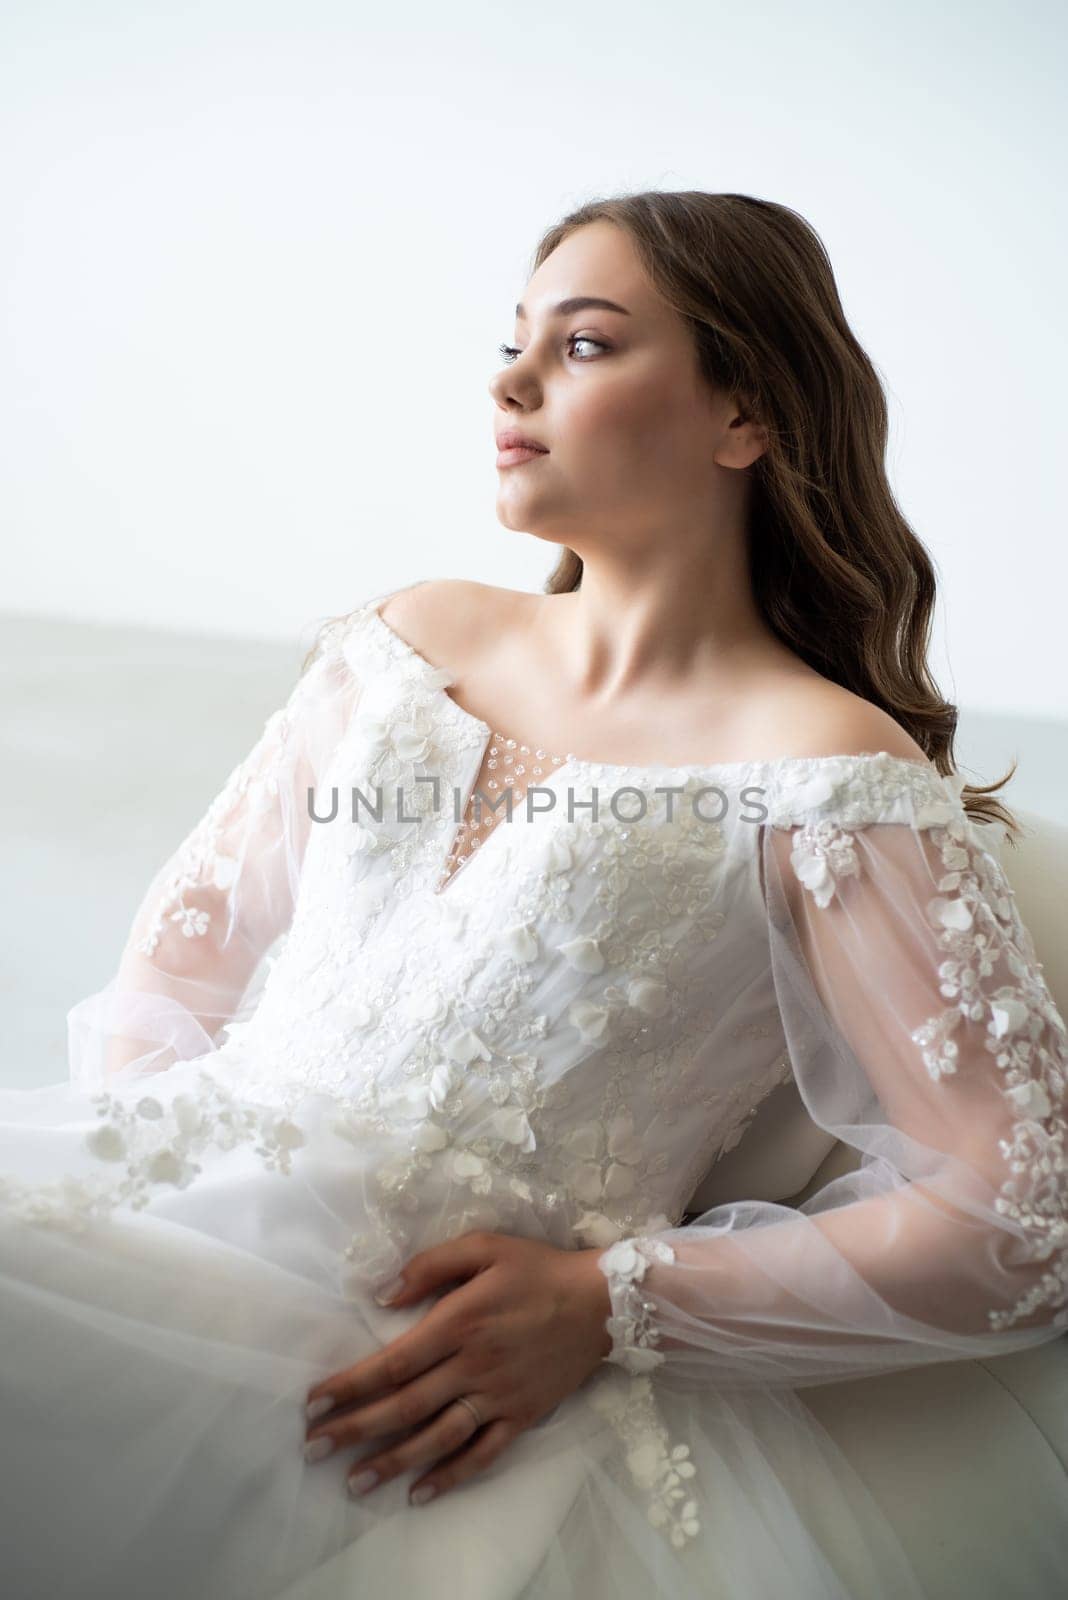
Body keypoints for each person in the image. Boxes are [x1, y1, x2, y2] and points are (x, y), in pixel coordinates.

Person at [1, 190, 1066, 1600]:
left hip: (396, 1379)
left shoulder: (826, 771)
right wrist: (143, 1173)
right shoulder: (406, 645)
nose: (509, 380)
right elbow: (181, 960)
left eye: (583, 345)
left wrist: (606, 1304)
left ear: (744, 417)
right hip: (158, 1236)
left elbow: (1023, 1210)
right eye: (514, 342)